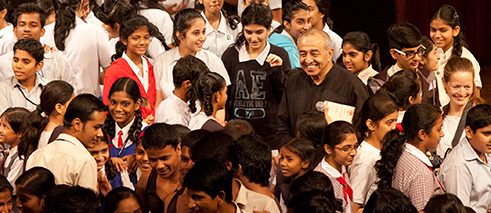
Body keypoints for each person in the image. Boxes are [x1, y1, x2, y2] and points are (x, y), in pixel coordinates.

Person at [276, 29, 369, 146]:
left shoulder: (353, 85)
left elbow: (361, 131)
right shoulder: (293, 80)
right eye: (303, 54)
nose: (308, 60)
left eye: (314, 53)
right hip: (297, 157)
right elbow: (283, 125)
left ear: (330, 53)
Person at [223, 3, 290, 146]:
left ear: (269, 30)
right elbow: (225, 94)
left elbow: (285, 95)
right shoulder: (231, 55)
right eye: (249, 32)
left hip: (270, 135)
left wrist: (277, 70)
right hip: (237, 133)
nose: (253, 38)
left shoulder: (279, 54)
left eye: (259, 32)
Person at [26, 94, 106, 192]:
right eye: (96, 127)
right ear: (77, 124)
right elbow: (86, 207)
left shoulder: (36, 155)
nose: (100, 134)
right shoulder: (85, 160)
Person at [153, 8, 230, 105]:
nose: (202, 38)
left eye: (204, 31)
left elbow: (221, 103)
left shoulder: (213, 60)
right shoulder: (162, 61)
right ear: (180, 35)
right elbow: (158, 102)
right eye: (196, 33)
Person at [375, 104, 444, 211]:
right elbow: (421, 210)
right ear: (422, 134)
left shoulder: (402, 152)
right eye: (439, 129)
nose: (442, 134)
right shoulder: (421, 174)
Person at [43, 0, 112, 96]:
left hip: (54, 103)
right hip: (87, 103)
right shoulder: (95, 32)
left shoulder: (43, 33)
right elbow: (110, 73)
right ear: (83, 2)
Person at [0, 3, 76, 87]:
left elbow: (71, 91)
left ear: (42, 31)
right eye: (22, 24)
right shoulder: (2, 64)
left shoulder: (58, 60)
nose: (27, 29)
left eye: (33, 25)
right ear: (14, 30)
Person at [103, 16, 161, 121]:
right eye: (136, 38)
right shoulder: (115, 70)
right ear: (124, 40)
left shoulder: (153, 66)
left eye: (146, 37)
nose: (143, 42)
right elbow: (108, 106)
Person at [438, 104, 491, 213]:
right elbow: (460, 210)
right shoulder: (459, 166)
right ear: (469, 132)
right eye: (487, 134)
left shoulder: (485, 151)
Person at [350, 93, 398, 212]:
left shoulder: (384, 149)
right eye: (389, 122)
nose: (394, 127)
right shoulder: (365, 160)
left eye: (395, 121)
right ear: (371, 124)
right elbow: (353, 206)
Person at [430, 4, 481, 107]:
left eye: (443, 30)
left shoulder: (467, 58)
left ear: (455, 30)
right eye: (433, 30)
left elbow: (475, 98)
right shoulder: (429, 54)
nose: (437, 35)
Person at [436, 57, 485, 158]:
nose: (462, 93)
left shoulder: (482, 118)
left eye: (467, 87)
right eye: (456, 87)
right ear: (444, 83)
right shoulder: (438, 114)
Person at [19, 81, 75, 166]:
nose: (76, 107)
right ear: (59, 108)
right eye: (72, 103)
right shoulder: (60, 135)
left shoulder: (40, 128)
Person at [367, 22, 424, 94]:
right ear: (394, 53)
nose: (417, 58)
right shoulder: (379, 84)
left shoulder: (426, 76)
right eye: (409, 53)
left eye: (419, 50)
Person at [137, 123, 181, 213]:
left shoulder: (194, 180)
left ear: (178, 149)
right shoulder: (145, 181)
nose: (159, 166)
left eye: (164, 158)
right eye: (153, 160)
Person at [314, 121, 357, 212]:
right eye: (346, 149)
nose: (353, 153)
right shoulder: (321, 181)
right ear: (328, 149)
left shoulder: (341, 165)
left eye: (355, 146)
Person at [155, 55, 209, 125]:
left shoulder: (190, 104)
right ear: (187, 84)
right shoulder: (171, 114)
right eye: (200, 84)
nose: (202, 88)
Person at [0, 38, 45, 114]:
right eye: (15, 60)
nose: (18, 66)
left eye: (26, 62)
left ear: (39, 65)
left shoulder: (48, 87)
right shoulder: (3, 88)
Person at [269, 0, 311, 69]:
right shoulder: (289, 49)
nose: (307, 27)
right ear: (287, 24)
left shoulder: (274, 36)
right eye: (300, 22)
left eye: (308, 21)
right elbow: (297, 77)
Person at [277, 138, 316, 211]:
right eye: (282, 158)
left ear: (305, 164)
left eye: (289, 159)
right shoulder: (284, 182)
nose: (282, 163)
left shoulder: (311, 192)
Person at [0, 107, 29, 187]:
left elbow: (10, 186)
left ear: (20, 133)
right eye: (0, 125)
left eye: (5, 126)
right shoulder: (8, 152)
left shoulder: (20, 158)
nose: (0, 130)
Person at [417, 37, 440, 107]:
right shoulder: (415, 79)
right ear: (421, 59)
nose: (438, 56)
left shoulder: (432, 76)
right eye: (434, 52)